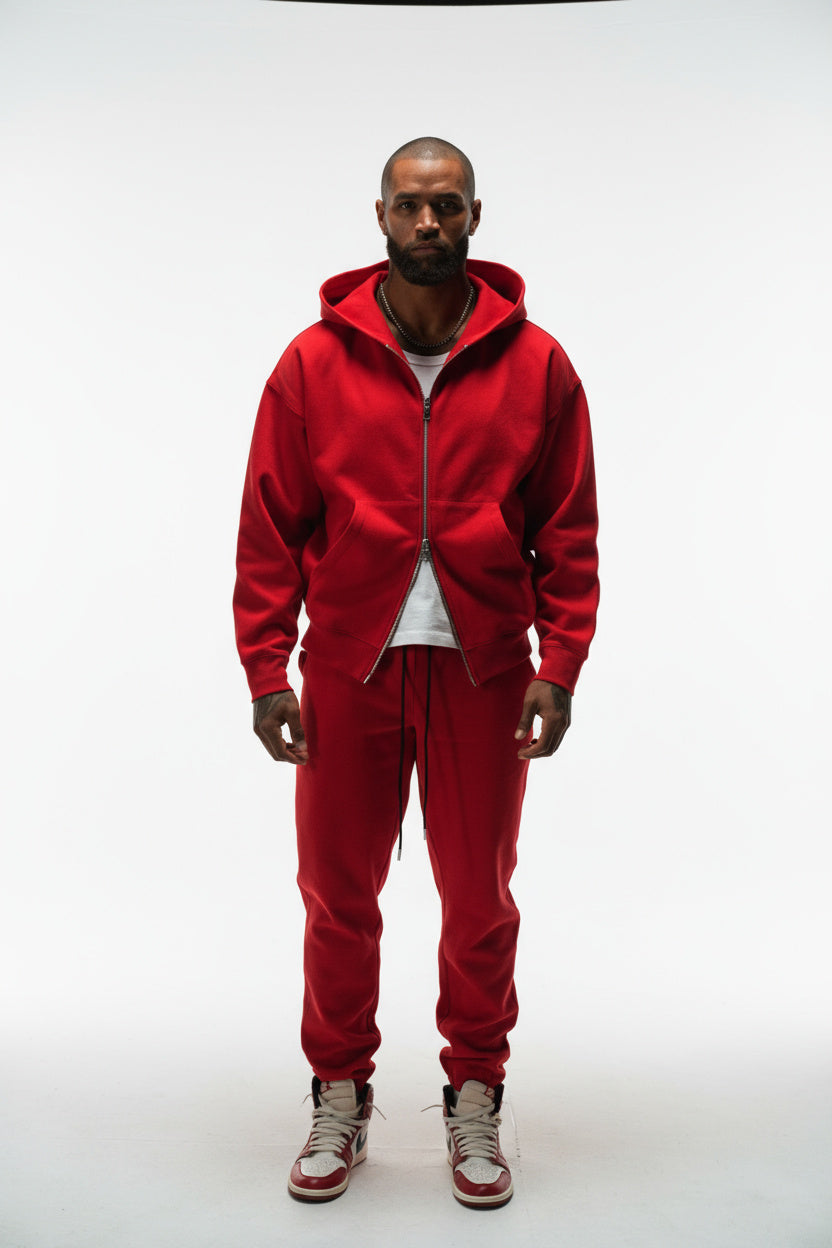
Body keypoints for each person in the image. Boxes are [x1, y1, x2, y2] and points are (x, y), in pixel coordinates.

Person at [233, 136, 599, 1209]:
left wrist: (561, 662)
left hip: (486, 671)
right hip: (350, 667)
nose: (428, 224)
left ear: (476, 216)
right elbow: (269, 526)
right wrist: (266, 667)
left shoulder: (539, 366)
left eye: (446, 206)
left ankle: (475, 1091)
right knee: (336, 895)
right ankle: (340, 1092)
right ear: (381, 217)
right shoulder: (312, 364)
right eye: (409, 206)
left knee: (479, 896)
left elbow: (568, 529)